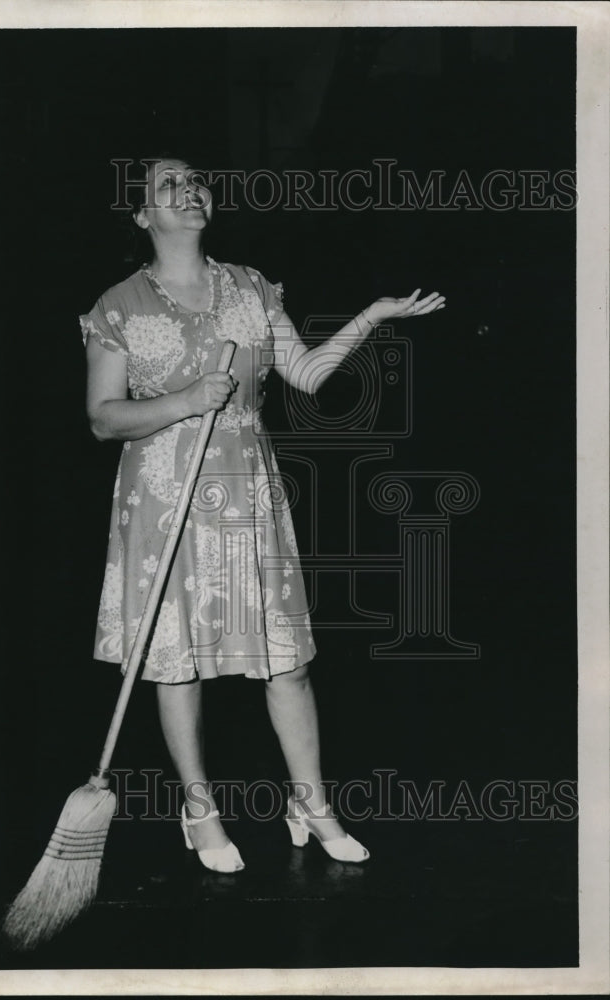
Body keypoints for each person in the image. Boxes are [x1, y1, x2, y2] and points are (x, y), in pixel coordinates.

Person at [80, 157, 445, 873]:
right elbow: (101, 418)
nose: (188, 192)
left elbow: (306, 376)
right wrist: (185, 401)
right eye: (167, 187)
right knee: (174, 663)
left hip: (248, 492)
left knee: (287, 660)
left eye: (194, 182)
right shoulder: (117, 306)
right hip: (163, 498)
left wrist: (369, 317)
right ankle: (199, 809)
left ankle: (310, 802)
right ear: (141, 216)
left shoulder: (249, 287)